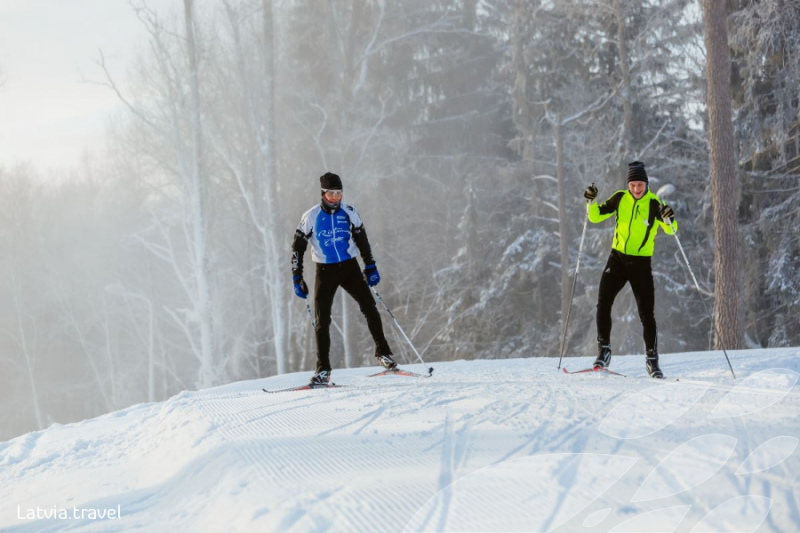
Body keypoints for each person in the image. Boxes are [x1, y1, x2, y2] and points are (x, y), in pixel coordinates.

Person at [291, 172, 396, 385]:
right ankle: (323, 370)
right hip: (324, 271)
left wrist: (370, 266)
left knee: (369, 307)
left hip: (349, 267)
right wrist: (297, 277)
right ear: (323, 194)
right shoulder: (310, 217)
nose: (336, 197)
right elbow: (297, 248)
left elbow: (362, 241)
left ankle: (383, 354)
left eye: (339, 193)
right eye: (331, 193)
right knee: (323, 321)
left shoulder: (349, 212)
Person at [584, 161, 677, 378]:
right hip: (617, 260)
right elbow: (595, 216)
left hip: (641, 264)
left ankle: (652, 361)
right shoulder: (620, 198)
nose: (636, 189)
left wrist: (669, 216)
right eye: (633, 185)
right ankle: (604, 351)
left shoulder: (655, 203)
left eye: (640, 185)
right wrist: (590, 201)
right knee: (603, 303)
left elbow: (672, 230)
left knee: (646, 314)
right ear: (628, 184)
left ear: (646, 184)